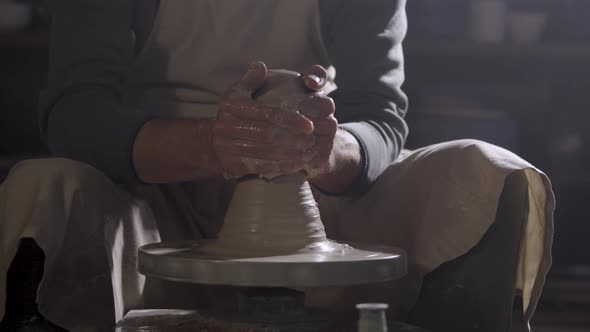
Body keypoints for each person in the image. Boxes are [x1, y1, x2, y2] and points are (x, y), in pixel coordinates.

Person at [0, 0, 554, 331]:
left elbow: (382, 120)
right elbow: (74, 111)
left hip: (321, 194)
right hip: (154, 193)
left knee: (486, 172)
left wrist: (321, 149)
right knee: (41, 187)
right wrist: (213, 146)